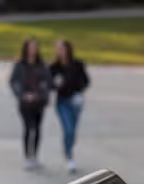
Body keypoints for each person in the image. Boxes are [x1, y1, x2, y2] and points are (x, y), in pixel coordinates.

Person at [10, 37, 51, 169]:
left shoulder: (42, 66)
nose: (33, 50)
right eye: (30, 47)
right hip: (25, 103)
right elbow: (14, 82)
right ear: (26, 49)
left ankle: (35, 156)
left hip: (38, 102)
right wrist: (22, 95)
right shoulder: (20, 65)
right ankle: (27, 156)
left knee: (37, 128)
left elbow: (47, 82)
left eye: (35, 47)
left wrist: (39, 95)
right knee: (28, 128)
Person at [51, 39, 90, 173]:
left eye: (62, 48)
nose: (60, 51)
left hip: (76, 101)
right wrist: (56, 84)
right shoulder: (54, 67)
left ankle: (69, 147)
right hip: (62, 102)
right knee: (68, 129)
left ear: (68, 49)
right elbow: (50, 84)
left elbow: (86, 81)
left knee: (72, 131)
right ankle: (69, 157)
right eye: (57, 49)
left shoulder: (77, 64)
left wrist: (78, 90)